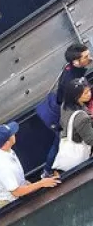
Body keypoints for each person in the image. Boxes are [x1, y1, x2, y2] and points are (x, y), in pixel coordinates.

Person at [42, 44, 91, 177]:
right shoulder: (71, 80)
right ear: (76, 61)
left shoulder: (72, 68)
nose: (89, 58)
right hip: (66, 109)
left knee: (60, 140)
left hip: (67, 105)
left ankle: (48, 170)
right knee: (62, 139)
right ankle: (48, 171)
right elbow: (74, 99)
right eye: (86, 57)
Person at [0, 123, 60, 208]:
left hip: (16, 187)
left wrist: (25, 183)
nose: (14, 134)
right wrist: (41, 183)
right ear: (7, 143)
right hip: (9, 201)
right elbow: (17, 192)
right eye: (12, 134)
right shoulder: (3, 167)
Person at [59, 78, 93, 149]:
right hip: (80, 145)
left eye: (89, 90)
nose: (89, 94)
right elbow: (91, 140)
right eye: (85, 93)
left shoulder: (66, 104)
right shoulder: (82, 119)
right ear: (76, 96)